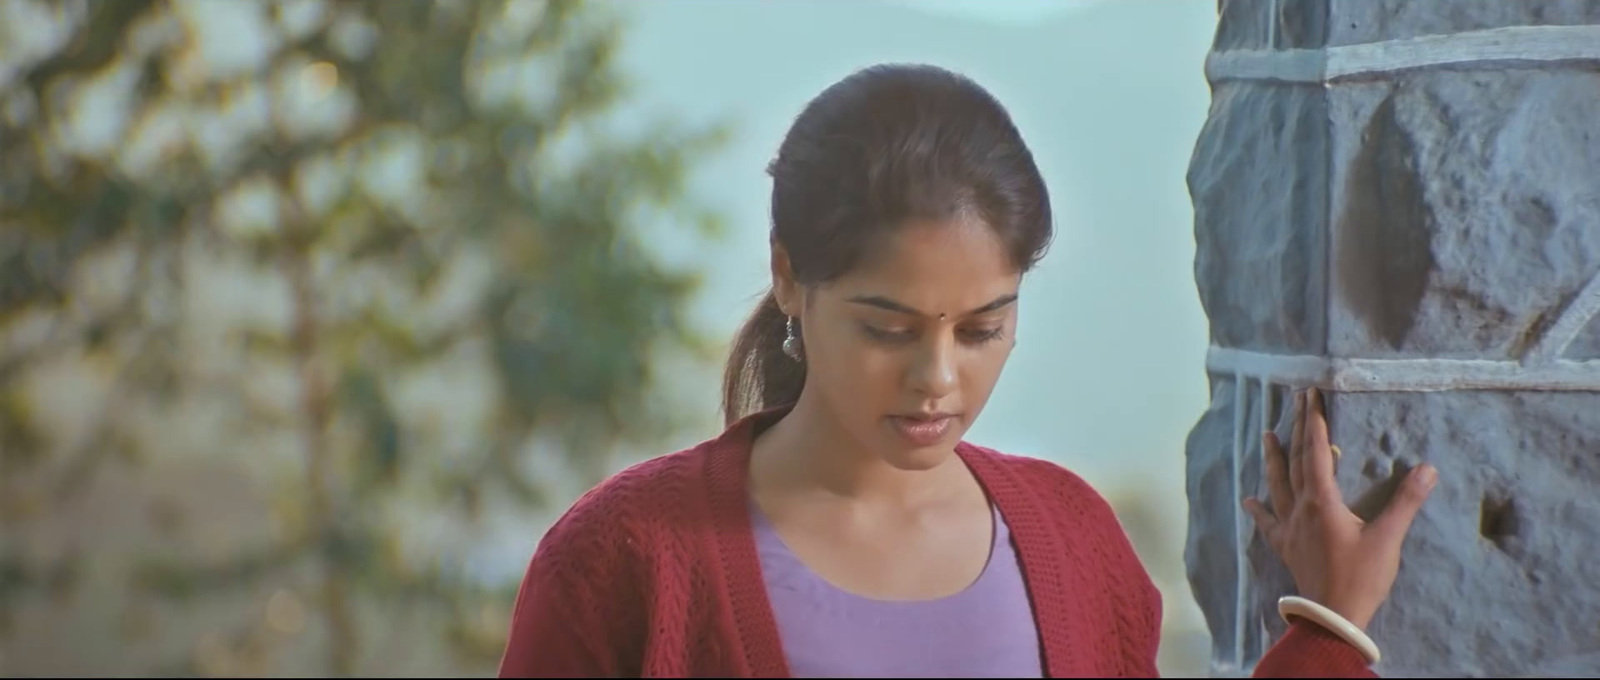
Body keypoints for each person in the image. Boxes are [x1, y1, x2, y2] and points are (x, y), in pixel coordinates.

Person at [496, 63, 1439, 679]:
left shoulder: (1071, 543)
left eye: (983, 327)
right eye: (888, 328)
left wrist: (1327, 627)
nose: (937, 380)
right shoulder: (623, 563)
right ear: (789, 274)